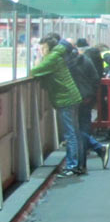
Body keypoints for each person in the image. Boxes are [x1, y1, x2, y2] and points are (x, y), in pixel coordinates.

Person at [31, 34, 83, 177]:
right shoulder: (57, 55)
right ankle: (78, 164)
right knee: (74, 132)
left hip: (66, 99)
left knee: (70, 133)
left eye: (42, 47)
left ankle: (72, 166)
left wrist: (37, 58)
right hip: (70, 97)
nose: (41, 50)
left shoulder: (53, 58)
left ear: (48, 47)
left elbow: (35, 70)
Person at [67, 39, 110, 172]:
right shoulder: (88, 60)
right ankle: (92, 155)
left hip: (78, 99)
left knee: (76, 131)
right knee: (83, 129)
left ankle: (92, 153)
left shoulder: (75, 62)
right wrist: (91, 95)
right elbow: (95, 79)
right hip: (87, 98)